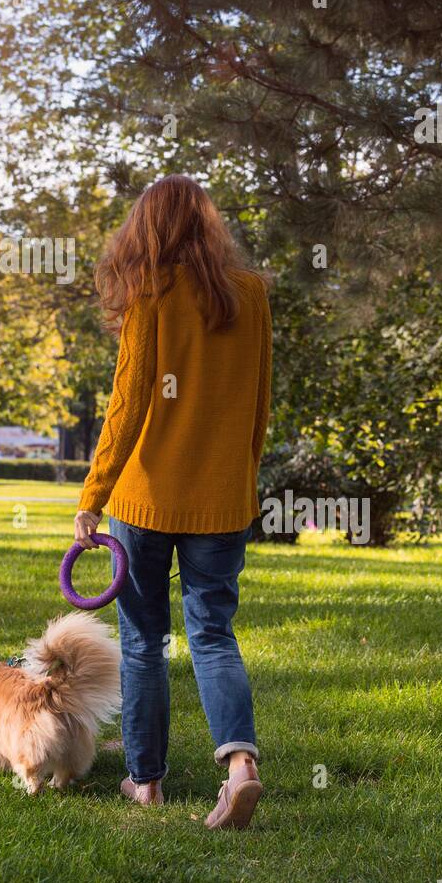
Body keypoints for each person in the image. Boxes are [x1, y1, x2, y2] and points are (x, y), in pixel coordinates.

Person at [74, 174, 271, 829]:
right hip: (223, 500)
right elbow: (259, 405)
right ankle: (240, 766)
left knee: (144, 642)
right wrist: (243, 479)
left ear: (146, 228)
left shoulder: (149, 295)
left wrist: (92, 498)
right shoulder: (251, 295)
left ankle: (146, 782)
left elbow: (127, 409)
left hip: (147, 500)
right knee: (213, 633)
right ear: (209, 226)